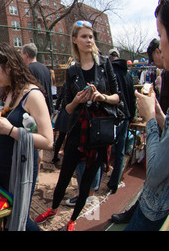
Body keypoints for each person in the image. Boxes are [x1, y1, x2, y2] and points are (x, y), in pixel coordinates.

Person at [35, 21, 120, 231]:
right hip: (77, 130)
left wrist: (102, 97)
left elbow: (118, 97)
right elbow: (67, 108)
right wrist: (78, 100)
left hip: (99, 131)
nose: (89, 40)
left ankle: (73, 220)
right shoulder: (72, 71)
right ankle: (53, 208)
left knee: (87, 181)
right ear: (74, 39)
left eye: (91, 37)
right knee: (64, 175)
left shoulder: (104, 64)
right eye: (84, 36)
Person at [0, 43, 53, 231]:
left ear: (9, 66)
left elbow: (48, 141)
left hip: (19, 170)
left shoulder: (33, 95)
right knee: (6, 218)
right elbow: (1, 137)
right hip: (0, 167)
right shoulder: (7, 92)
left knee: (18, 218)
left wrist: (11, 130)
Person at [124, 0, 169, 231]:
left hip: (157, 205)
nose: (159, 45)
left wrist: (151, 118)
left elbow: (154, 173)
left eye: (161, 35)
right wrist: (160, 116)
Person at [107, 48, 136, 194]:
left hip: (111, 116)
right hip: (124, 116)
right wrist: (131, 116)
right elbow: (132, 97)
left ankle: (98, 178)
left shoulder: (109, 72)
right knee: (120, 151)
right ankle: (114, 182)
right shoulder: (127, 74)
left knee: (104, 146)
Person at [21, 43, 54, 114]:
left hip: (38, 111)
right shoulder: (45, 68)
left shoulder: (28, 70)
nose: (21, 57)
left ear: (26, 55)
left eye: (22, 54)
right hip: (48, 108)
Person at [147, 38, 169, 114]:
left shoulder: (166, 72)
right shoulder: (165, 72)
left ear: (157, 52)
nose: (154, 64)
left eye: (152, 60)